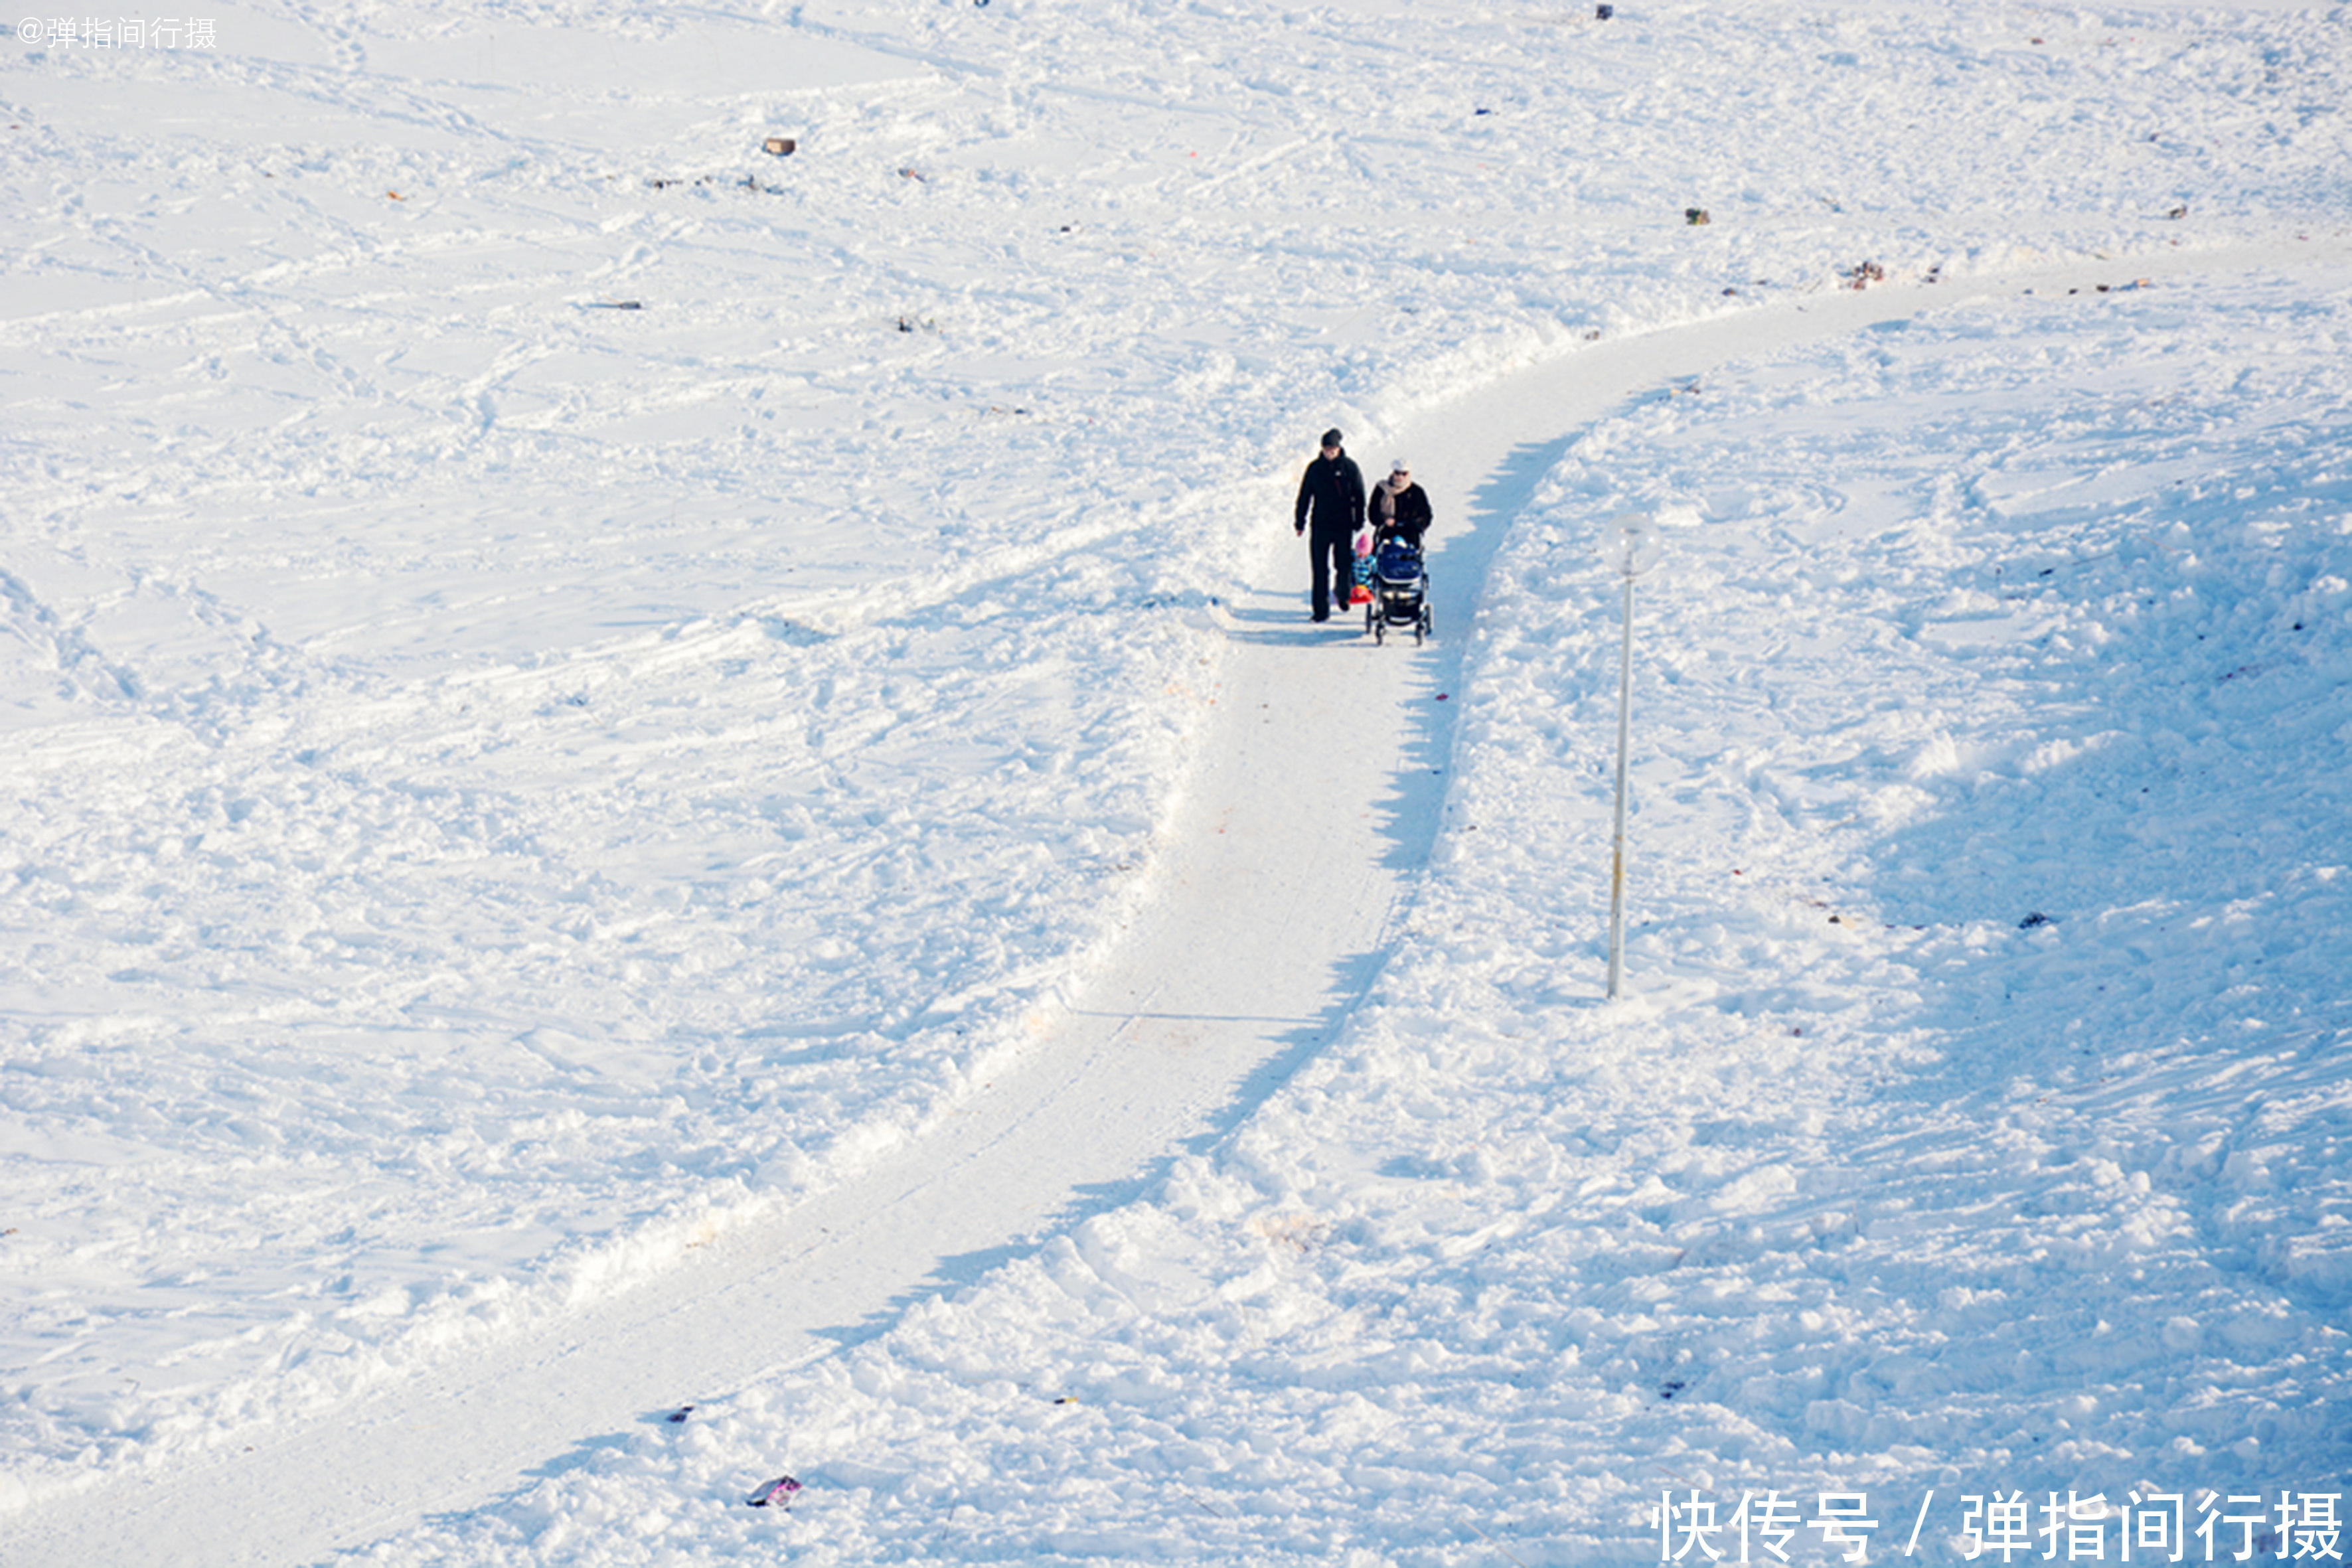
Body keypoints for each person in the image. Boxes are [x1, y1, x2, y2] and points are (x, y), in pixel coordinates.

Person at [1293, 428, 1366, 622]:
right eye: (1326, 449)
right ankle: (1320, 611)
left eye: (1332, 448)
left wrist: (1358, 519)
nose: (1329, 452)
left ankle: (1343, 595)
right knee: (1319, 568)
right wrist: (1300, 520)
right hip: (1321, 525)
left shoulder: (1350, 467)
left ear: (1339, 448)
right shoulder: (1315, 469)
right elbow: (1305, 496)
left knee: (1343, 564)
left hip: (1343, 524)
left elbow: (1359, 495)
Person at [1368, 459, 1431, 547]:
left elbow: (1426, 515)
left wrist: (1413, 524)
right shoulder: (1382, 489)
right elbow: (1373, 511)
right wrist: (1383, 520)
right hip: (1387, 534)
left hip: (1410, 536)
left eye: (1404, 474)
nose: (1400, 477)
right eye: (1397, 473)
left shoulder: (1416, 492)